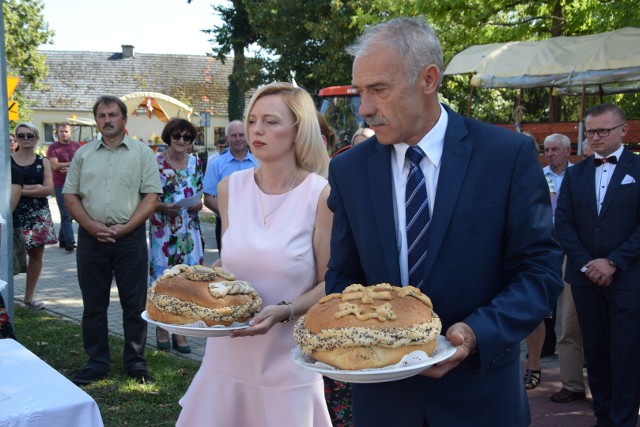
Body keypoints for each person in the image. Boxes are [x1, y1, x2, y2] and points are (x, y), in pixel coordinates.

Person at [325, 17, 563, 426]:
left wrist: (473, 336)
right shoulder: (348, 170)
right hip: (384, 405)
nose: (364, 109)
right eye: (361, 92)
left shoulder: (506, 156)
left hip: (481, 399)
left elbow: (539, 272)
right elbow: (344, 276)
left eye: (378, 90)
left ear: (429, 79)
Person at [177, 82, 332, 426]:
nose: (257, 130)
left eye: (271, 122)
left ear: (298, 130)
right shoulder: (230, 188)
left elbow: (330, 283)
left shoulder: (320, 194)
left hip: (288, 365)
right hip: (225, 358)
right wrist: (200, 282)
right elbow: (232, 262)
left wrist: (286, 310)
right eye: (252, 121)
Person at [63, 95, 162, 386]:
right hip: (92, 239)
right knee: (94, 305)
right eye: (102, 116)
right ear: (96, 121)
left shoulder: (142, 153)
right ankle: (96, 363)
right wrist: (92, 226)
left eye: (113, 115)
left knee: (134, 305)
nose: (107, 120)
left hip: (129, 239)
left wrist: (126, 227)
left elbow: (151, 197)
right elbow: (70, 195)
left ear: (124, 119)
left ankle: (135, 363)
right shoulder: (83, 154)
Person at [555, 103, 640, 427]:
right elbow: (563, 223)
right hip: (585, 278)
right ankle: (603, 416)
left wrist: (614, 261)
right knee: (595, 352)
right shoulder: (575, 173)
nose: (595, 137)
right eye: (591, 132)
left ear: (623, 130)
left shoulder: (638, 169)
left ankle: (624, 420)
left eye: (603, 131)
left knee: (626, 354)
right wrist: (589, 264)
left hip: (629, 278)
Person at [148, 118, 204, 353]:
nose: (182, 141)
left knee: (187, 281)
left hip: (189, 230)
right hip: (164, 231)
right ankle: (162, 327)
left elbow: (200, 196)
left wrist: (197, 205)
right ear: (168, 137)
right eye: (177, 136)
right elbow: (147, 198)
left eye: (187, 137)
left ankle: (180, 331)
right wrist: (162, 207)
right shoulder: (156, 162)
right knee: (164, 280)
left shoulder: (196, 163)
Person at [524, 133, 573, 390]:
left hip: (570, 251)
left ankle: (573, 375)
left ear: (567, 151)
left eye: (555, 149)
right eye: (546, 149)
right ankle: (534, 365)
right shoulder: (537, 176)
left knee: (569, 314)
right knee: (538, 309)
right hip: (538, 248)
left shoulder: (579, 175)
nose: (550, 153)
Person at [11, 122, 57, 310]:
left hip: (37, 215)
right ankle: (6, 295)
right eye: (21, 135)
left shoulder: (43, 162)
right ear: (16, 139)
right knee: (7, 255)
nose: (25, 139)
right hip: (13, 212)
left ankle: (28, 297)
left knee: (36, 255)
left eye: (29, 135)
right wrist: (35, 188)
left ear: (37, 138)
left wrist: (18, 190)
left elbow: (48, 189)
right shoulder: (6, 160)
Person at [203, 120, 257, 252]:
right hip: (226, 224)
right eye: (234, 136)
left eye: (241, 135)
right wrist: (231, 214)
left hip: (256, 223)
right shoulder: (216, 164)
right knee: (227, 267)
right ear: (227, 138)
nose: (238, 139)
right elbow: (209, 198)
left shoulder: (259, 163)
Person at [47, 121, 81, 252]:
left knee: (70, 214)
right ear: (58, 133)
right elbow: (54, 165)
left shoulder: (77, 146)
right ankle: (70, 242)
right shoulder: (53, 148)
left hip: (75, 183)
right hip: (60, 184)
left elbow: (82, 164)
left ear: (70, 132)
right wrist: (72, 164)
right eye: (61, 131)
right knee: (66, 213)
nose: (64, 134)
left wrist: (69, 167)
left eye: (66, 131)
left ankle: (62, 239)